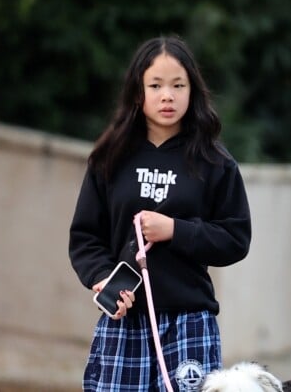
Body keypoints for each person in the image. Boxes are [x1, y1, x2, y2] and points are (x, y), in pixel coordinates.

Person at [69, 35, 252, 391]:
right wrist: (103, 278)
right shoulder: (109, 158)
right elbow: (85, 238)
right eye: (155, 85)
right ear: (138, 93)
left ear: (192, 92)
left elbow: (235, 238)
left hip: (190, 321)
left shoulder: (215, 162)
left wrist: (175, 230)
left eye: (178, 85)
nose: (167, 95)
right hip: (125, 321)